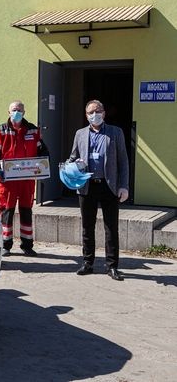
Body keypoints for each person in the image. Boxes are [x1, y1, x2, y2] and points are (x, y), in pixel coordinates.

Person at [68, 99, 129, 281]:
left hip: (109, 186)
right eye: (90, 112)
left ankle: (112, 266)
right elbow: (72, 157)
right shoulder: (80, 134)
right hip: (87, 186)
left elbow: (123, 162)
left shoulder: (115, 132)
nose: (94, 115)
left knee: (111, 228)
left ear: (104, 112)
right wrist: (72, 164)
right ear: (86, 115)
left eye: (97, 111)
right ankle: (88, 263)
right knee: (88, 227)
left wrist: (124, 186)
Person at [0, 101, 49, 257]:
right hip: (7, 180)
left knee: (26, 210)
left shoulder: (33, 130)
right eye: (14, 110)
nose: (17, 112)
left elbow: (42, 149)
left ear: (24, 111)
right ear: (8, 112)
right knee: (6, 212)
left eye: (20, 110)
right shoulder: (0, 131)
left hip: (27, 180)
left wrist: (44, 166)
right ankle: (5, 245)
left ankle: (27, 245)